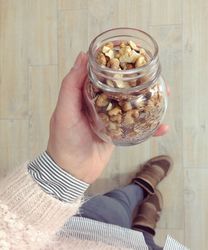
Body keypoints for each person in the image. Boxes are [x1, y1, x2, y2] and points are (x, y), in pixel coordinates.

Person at [0, 53, 187, 249]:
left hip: (84, 232)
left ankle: (139, 189)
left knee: (116, 205)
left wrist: (63, 171)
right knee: (142, 238)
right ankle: (145, 224)